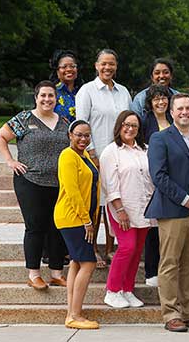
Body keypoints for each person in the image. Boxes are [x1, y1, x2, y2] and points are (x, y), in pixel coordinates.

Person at [145, 93, 189, 332]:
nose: (185, 112)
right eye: (180, 109)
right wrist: (187, 201)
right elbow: (159, 176)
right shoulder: (160, 139)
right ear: (172, 113)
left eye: (188, 108)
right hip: (174, 210)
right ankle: (171, 313)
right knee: (170, 263)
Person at [0, 80, 70, 290]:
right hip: (30, 181)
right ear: (36, 98)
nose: (47, 99)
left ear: (56, 98)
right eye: (43, 95)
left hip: (58, 184)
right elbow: (0, 137)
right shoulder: (25, 119)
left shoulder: (64, 122)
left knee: (57, 227)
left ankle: (56, 273)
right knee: (35, 227)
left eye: (51, 96)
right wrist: (10, 161)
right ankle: (34, 274)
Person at [76, 48, 132, 268]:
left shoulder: (123, 91)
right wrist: (91, 153)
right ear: (96, 66)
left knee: (114, 201)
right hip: (95, 156)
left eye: (112, 64)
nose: (108, 68)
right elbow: (81, 123)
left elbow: (128, 122)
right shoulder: (87, 91)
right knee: (95, 205)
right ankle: (92, 249)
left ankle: (111, 248)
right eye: (104, 64)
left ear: (116, 66)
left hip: (119, 156)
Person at [100, 110, 154, 308]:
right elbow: (109, 184)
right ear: (119, 126)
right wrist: (119, 208)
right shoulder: (111, 151)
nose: (130, 129)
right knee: (127, 247)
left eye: (134, 126)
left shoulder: (145, 149)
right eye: (126, 124)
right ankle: (112, 290)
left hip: (143, 206)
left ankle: (127, 289)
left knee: (137, 250)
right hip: (122, 208)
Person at [54, 120, 100, 329]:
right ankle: (75, 315)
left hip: (81, 217)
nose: (83, 139)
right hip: (73, 217)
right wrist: (86, 220)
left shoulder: (85, 155)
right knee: (88, 263)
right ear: (70, 135)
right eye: (79, 135)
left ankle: (72, 311)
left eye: (87, 135)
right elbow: (72, 191)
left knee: (76, 262)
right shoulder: (67, 156)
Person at [140, 84, 173, 287]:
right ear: (150, 103)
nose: (161, 102)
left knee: (170, 228)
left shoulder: (174, 120)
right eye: (156, 99)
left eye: (164, 98)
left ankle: (169, 270)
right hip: (151, 177)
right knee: (153, 227)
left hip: (175, 177)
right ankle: (151, 271)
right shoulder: (145, 122)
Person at [50, 50, 83, 122]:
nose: (68, 69)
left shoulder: (84, 92)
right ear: (57, 71)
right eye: (64, 67)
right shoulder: (52, 93)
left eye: (72, 66)